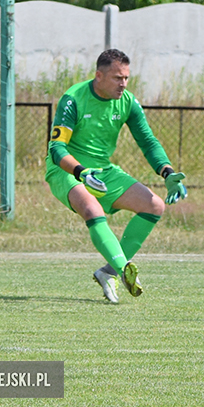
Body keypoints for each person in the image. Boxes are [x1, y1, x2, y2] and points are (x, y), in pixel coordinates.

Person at [45, 49, 187, 304]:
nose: (123, 84)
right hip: (68, 169)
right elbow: (56, 149)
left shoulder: (128, 102)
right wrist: (81, 172)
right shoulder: (73, 98)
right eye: (116, 78)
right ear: (99, 76)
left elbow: (147, 141)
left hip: (103, 170)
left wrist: (167, 171)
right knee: (92, 209)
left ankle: (108, 272)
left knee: (154, 205)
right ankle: (124, 270)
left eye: (126, 78)